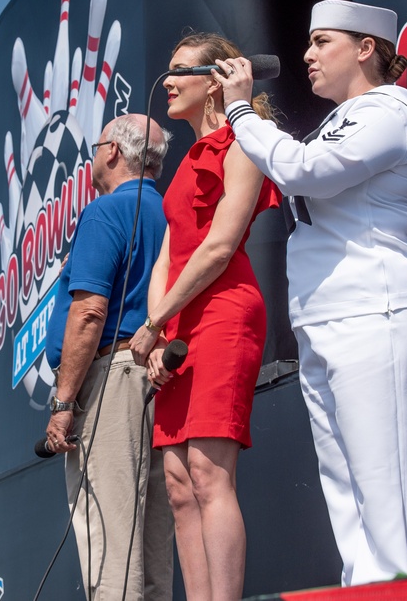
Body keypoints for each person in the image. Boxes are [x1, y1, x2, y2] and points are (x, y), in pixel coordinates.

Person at [219, 0, 407, 586]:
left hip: (375, 312)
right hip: (326, 319)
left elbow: (304, 171)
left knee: (385, 502)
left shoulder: (388, 111)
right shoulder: (344, 118)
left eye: (323, 42)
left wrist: (240, 110)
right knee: (347, 499)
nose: (307, 55)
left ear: (366, 48)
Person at [127, 33, 281, 601]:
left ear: (214, 80)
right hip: (178, 324)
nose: (167, 81)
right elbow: (167, 258)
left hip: (223, 312)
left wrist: (154, 325)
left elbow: (218, 248)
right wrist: (160, 329)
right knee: (177, 482)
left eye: (179, 70)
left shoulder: (243, 142)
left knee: (209, 472)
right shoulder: (185, 162)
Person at [43, 113, 174, 600]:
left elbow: (89, 312)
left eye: (97, 146)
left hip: (114, 380)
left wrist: (63, 403)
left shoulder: (106, 211)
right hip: (159, 379)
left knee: (111, 541)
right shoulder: (169, 213)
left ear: (113, 151)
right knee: (152, 545)